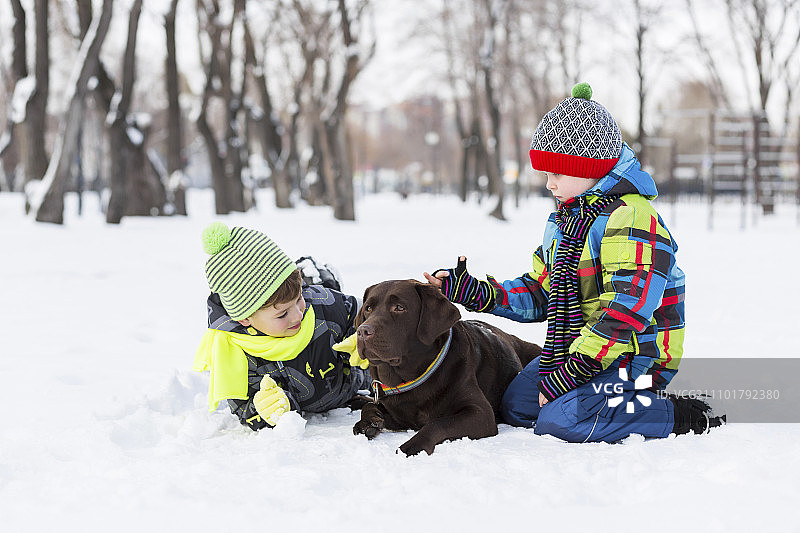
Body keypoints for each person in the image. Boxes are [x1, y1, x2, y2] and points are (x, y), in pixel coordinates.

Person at [424, 82, 724, 443]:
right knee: (518, 407)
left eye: (556, 173)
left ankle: (674, 413)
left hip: (635, 356)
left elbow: (625, 313)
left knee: (560, 420)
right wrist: (473, 291)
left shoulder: (631, 217)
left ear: (589, 167)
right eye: (546, 174)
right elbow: (539, 292)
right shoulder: (566, 220)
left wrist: (568, 376)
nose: (549, 185)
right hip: (581, 348)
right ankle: (598, 398)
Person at [193, 222, 370, 430]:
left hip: (351, 386)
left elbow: (365, 314)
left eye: (299, 297)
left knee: (322, 292)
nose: (297, 315)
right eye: (282, 314)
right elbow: (244, 406)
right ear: (245, 318)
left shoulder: (324, 305)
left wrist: (361, 338)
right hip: (304, 402)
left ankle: (321, 276)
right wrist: (266, 410)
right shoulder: (234, 354)